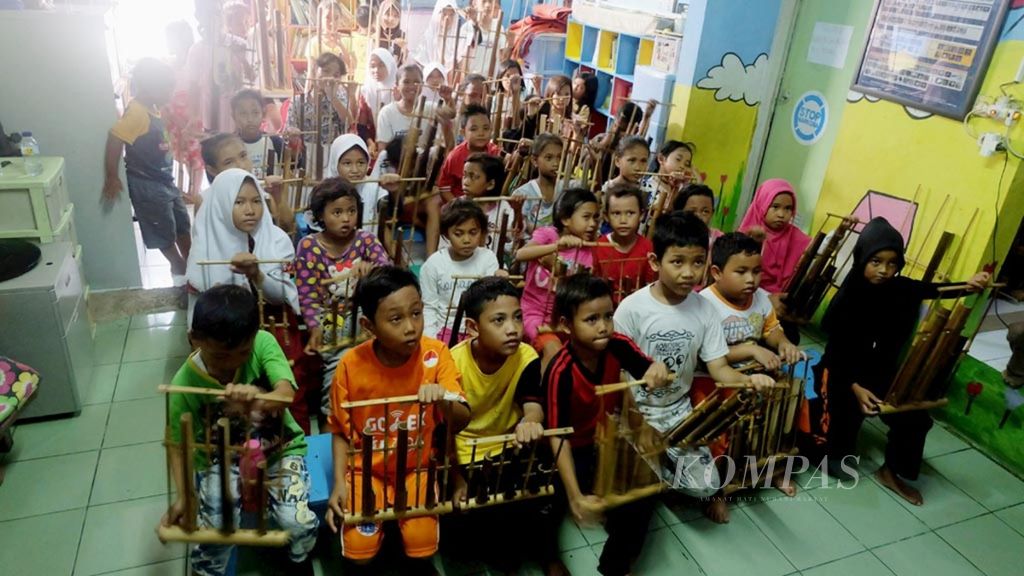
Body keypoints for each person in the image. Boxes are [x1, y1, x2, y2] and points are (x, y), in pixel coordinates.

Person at [814, 217, 989, 505]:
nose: (884, 270)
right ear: (862, 259)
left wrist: (969, 286)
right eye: (876, 261)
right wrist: (855, 387)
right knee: (846, 412)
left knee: (916, 419)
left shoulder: (900, 288)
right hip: (842, 372)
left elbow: (934, 290)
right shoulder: (848, 298)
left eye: (892, 263)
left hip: (881, 372)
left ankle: (894, 470)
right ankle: (836, 452)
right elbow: (834, 354)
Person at [613, 211, 774, 523]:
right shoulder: (631, 309)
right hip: (634, 412)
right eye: (678, 262)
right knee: (632, 490)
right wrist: (640, 425)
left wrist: (749, 381)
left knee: (706, 486)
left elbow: (719, 369)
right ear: (654, 262)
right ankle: (652, 470)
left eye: (697, 262)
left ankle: (664, 469)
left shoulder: (704, 308)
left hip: (678, 411)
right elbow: (619, 374)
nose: (689, 272)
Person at [161, 285, 318, 576]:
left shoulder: (263, 342)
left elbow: (285, 394)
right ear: (194, 339)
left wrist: (258, 398)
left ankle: (299, 559)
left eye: (242, 353)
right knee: (218, 526)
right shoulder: (184, 381)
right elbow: (177, 445)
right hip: (220, 459)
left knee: (296, 521)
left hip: (279, 449)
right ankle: (209, 569)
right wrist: (184, 496)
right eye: (220, 356)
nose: (232, 363)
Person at [323, 266, 470, 572]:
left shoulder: (437, 354)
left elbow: (462, 419)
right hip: (366, 471)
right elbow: (338, 430)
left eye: (416, 313)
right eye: (396, 318)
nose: (411, 327)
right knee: (359, 552)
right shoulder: (350, 366)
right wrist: (339, 483)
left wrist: (443, 398)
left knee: (421, 547)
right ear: (368, 325)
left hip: (416, 467)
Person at [544, 273, 671, 576]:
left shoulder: (617, 344)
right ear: (565, 325)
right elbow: (556, 438)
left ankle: (615, 566)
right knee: (549, 503)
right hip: (570, 449)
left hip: (607, 439)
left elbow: (650, 367)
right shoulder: (560, 371)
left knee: (645, 494)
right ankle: (548, 559)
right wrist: (575, 496)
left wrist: (658, 368)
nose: (603, 326)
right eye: (591, 319)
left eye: (607, 316)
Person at [441, 276, 558, 574]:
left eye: (518, 317)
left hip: (508, 446)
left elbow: (533, 406)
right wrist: (457, 480)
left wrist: (531, 423)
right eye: (499, 320)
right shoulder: (453, 363)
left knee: (534, 498)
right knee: (467, 519)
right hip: (465, 452)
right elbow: (444, 433)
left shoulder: (526, 356)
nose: (513, 329)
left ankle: (542, 554)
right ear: (472, 327)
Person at [700, 232, 804, 496]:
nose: (751, 279)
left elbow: (771, 329)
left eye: (757, 271)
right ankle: (719, 489)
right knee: (727, 426)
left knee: (786, 403)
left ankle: (774, 469)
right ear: (716, 272)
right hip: (720, 379)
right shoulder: (705, 304)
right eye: (741, 271)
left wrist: (783, 344)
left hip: (758, 373)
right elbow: (707, 356)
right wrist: (751, 349)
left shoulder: (759, 299)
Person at [294, 178, 391, 412]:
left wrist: (372, 270)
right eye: (337, 212)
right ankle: (333, 412)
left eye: (351, 211)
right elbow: (306, 294)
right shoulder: (308, 246)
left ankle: (370, 408)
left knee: (373, 361)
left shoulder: (365, 240)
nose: (346, 218)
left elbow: (387, 273)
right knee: (339, 366)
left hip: (364, 315)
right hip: (330, 317)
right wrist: (314, 327)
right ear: (320, 215)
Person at [103, 57, 191, 286]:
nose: (170, 94)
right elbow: (115, 138)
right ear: (149, 88)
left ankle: (190, 262)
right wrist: (111, 176)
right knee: (161, 229)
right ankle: (178, 266)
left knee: (182, 223)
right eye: (166, 89)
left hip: (165, 180)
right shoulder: (137, 112)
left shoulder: (153, 108)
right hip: (148, 184)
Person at [515, 187, 599, 347]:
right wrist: (557, 247)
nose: (593, 224)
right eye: (586, 217)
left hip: (566, 320)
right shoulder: (547, 235)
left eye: (596, 218)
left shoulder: (589, 250)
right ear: (565, 219)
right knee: (551, 347)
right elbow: (521, 254)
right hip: (533, 313)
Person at [421, 199, 500, 341]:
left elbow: (490, 303)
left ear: (481, 232)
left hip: (479, 330)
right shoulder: (433, 264)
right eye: (458, 234)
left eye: (473, 232)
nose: (466, 240)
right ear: (446, 234)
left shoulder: (488, 259)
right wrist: (431, 340)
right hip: (445, 330)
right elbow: (429, 308)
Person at [199, 133, 294, 236]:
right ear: (212, 170)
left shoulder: (263, 193)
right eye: (229, 162)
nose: (241, 165)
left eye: (243, 156)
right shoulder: (205, 201)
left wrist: (278, 197)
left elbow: (288, 227)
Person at [286, 52, 357, 162]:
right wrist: (292, 135)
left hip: (333, 157)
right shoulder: (298, 101)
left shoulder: (340, 98)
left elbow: (349, 122)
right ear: (315, 70)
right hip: (306, 159)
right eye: (326, 71)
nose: (330, 78)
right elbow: (289, 131)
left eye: (336, 75)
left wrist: (332, 97)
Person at [593, 183, 654, 302]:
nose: (623, 220)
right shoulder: (598, 247)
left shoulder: (648, 248)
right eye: (616, 213)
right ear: (606, 216)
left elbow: (651, 287)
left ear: (641, 215)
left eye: (630, 213)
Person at [376, 63, 454, 152]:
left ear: (423, 84)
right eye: (406, 82)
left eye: (416, 82)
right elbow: (382, 152)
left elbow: (450, 143)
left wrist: (448, 100)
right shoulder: (387, 113)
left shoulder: (432, 109)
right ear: (397, 85)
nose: (412, 86)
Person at [436, 103, 501, 202]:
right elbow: (444, 189)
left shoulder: (495, 151)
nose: (481, 133)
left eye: (486, 128)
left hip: (488, 204)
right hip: (460, 205)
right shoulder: (454, 156)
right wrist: (458, 207)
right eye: (474, 129)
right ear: (463, 133)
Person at [326, 134, 387, 233]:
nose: (355, 170)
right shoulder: (325, 192)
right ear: (335, 164)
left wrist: (393, 192)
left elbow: (389, 208)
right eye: (347, 163)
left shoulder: (374, 188)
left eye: (361, 163)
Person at [511, 133, 564, 237]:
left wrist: (595, 162)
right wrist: (517, 210)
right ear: (535, 161)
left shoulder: (567, 188)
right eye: (549, 158)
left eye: (559, 157)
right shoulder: (523, 193)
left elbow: (597, 191)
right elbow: (517, 230)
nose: (556, 163)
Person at [646, 141, 699, 223]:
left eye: (686, 164)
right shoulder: (649, 185)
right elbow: (658, 217)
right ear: (661, 159)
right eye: (678, 159)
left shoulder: (681, 187)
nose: (682, 166)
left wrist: (677, 187)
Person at [356, 47, 398, 146]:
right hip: (372, 143)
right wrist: (370, 143)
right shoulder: (366, 91)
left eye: (382, 65)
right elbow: (362, 126)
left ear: (389, 66)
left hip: (395, 145)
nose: (376, 70)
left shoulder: (398, 91)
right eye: (372, 66)